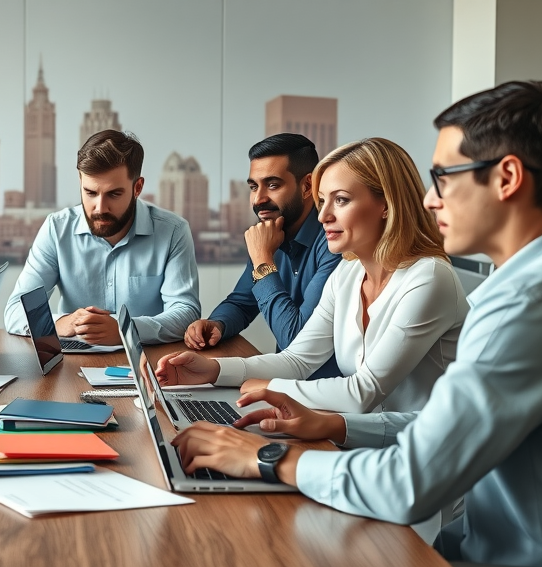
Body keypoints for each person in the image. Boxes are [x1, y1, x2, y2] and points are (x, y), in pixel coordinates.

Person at [168, 80, 542, 567]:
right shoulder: (508, 290)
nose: (432, 200)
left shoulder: (521, 303)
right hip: (468, 537)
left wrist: (266, 459)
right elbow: (435, 425)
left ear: (508, 177)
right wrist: (337, 424)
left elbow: (407, 482)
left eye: (445, 178)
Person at [159, 138, 468, 414]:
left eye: (341, 200)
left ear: (386, 205)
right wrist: (211, 370)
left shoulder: (428, 277)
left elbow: (362, 393)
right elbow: (298, 359)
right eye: (323, 201)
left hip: (424, 456)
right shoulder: (349, 271)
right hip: (363, 433)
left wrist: (269, 388)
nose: (323, 216)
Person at [4, 130, 200, 345]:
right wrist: (64, 323)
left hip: (150, 363)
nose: (100, 208)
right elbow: (15, 312)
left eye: (114, 194)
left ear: (138, 187)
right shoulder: (56, 229)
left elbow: (186, 312)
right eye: (90, 193)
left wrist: (125, 330)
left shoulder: (173, 231)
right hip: (72, 367)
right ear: (80, 181)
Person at [186, 134, 342, 378]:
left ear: (307, 186)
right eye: (253, 186)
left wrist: (262, 259)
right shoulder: (272, 233)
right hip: (287, 385)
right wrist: (217, 324)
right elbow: (241, 302)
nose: (259, 199)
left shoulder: (335, 242)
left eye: (273, 185)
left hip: (325, 397)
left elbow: (295, 341)